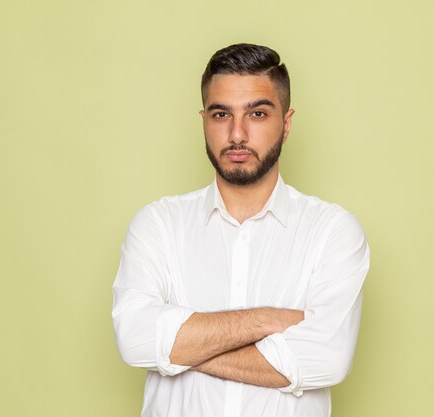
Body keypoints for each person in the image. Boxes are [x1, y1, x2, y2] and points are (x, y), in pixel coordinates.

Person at [112, 43, 370, 417]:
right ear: (203, 119)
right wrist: (268, 321)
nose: (237, 134)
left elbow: (326, 358)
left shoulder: (332, 231)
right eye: (221, 114)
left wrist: (180, 347)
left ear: (286, 122)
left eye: (258, 113)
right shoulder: (158, 225)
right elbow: (136, 339)